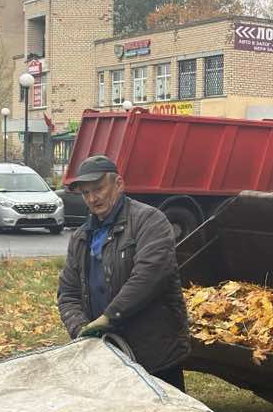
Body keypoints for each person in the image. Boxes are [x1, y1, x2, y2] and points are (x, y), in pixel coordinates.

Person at [57, 155, 190, 390]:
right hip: (107, 355)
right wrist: (81, 330)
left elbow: (149, 276)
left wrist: (109, 317)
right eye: (86, 193)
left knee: (163, 410)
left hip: (155, 353)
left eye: (98, 189)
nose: (92, 198)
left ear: (118, 184)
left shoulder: (149, 221)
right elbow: (68, 293)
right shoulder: (81, 237)